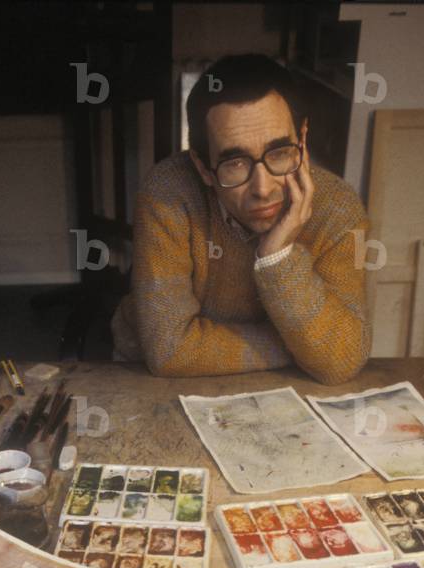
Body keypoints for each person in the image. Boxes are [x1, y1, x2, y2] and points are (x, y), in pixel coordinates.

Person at [112, 54, 371, 382]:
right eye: (235, 163)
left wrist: (277, 257)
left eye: (279, 153)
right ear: (203, 167)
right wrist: (300, 346)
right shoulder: (166, 194)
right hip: (149, 376)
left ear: (303, 139)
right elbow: (169, 350)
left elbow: (341, 360)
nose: (262, 189)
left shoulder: (338, 208)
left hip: (281, 381)